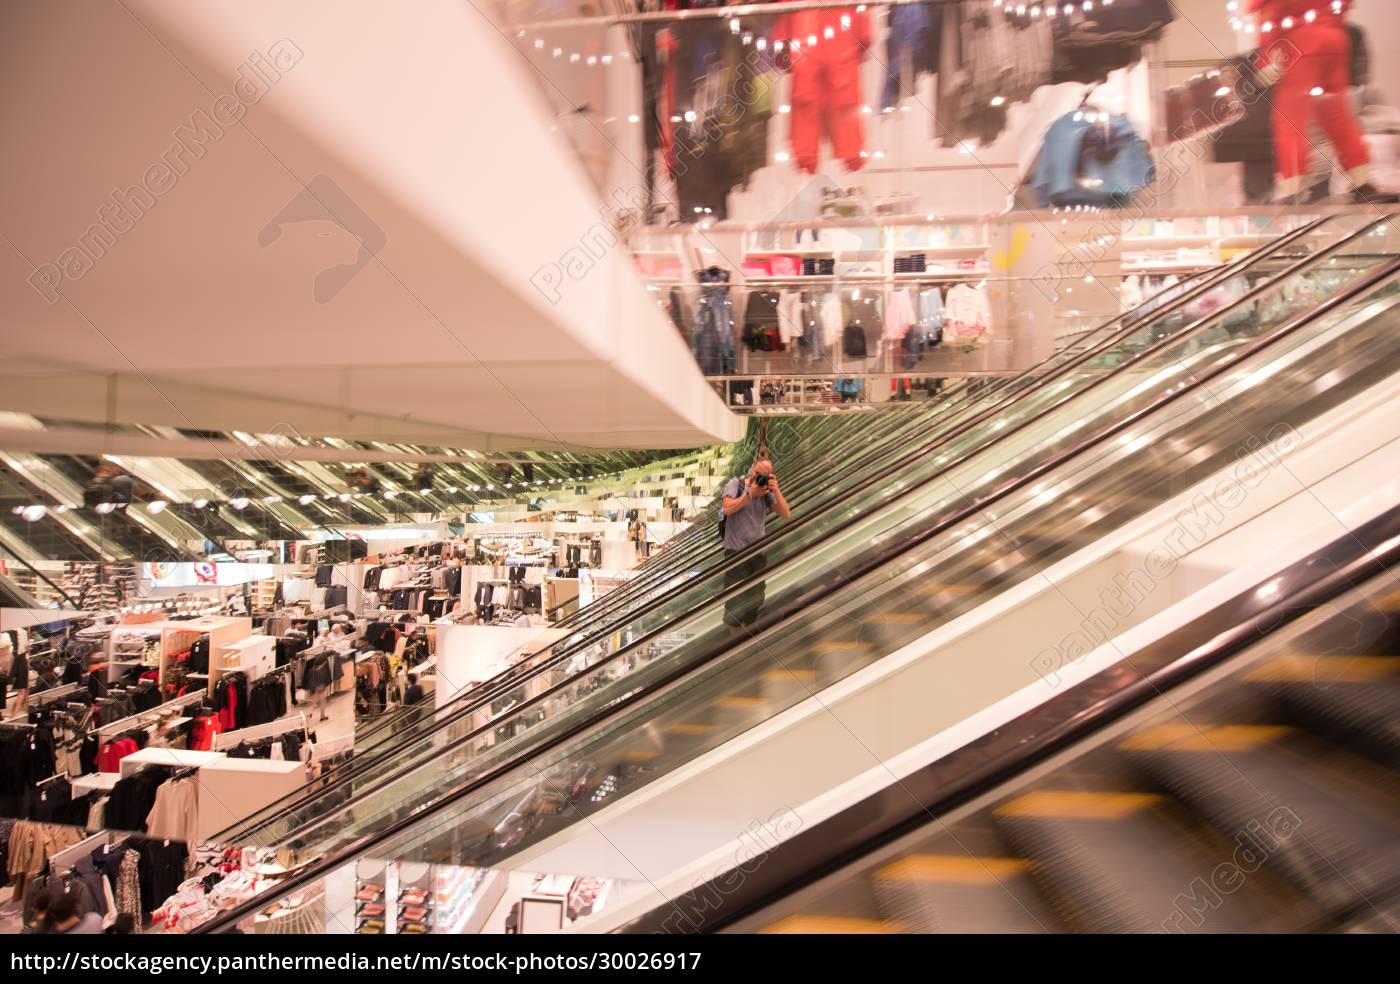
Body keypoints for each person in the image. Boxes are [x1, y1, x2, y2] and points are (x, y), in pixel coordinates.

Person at [1248, 0, 1396, 203]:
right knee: (1337, 116)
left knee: (1290, 119)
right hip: (1334, 39)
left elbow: (1270, 12)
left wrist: (1265, 59)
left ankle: (1291, 190)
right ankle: (1362, 182)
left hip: (1300, 42)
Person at [720, 457, 790, 628]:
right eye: (759, 474)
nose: (761, 478)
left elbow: (785, 513)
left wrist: (776, 489)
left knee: (754, 604)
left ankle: (747, 647)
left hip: (758, 555)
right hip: (736, 554)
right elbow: (727, 509)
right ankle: (734, 648)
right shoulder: (735, 484)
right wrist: (750, 494)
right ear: (751, 469)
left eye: (766, 475)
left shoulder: (766, 492)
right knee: (734, 608)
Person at [2, 635, 28, 716]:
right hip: (21, 679)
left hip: (24, 679)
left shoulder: (20, 657)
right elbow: (13, 670)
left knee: (23, 696)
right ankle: (13, 714)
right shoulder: (19, 657)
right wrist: (10, 681)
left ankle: (20, 712)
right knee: (21, 696)